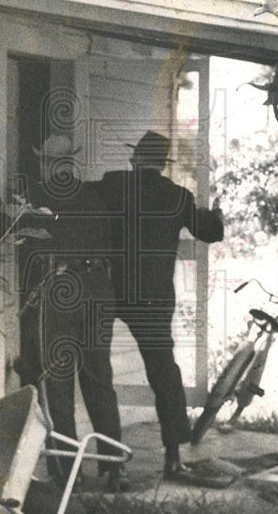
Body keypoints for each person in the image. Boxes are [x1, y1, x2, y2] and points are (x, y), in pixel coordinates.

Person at [95, 130, 226, 485]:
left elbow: (78, 201)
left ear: (136, 159)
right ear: (162, 164)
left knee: (98, 373)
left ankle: (112, 465)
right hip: (153, 298)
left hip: (112, 291)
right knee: (164, 374)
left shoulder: (113, 184)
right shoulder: (177, 196)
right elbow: (210, 232)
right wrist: (216, 213)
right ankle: (173, 459)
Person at [19, 134, 129, 492]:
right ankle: (115, 469)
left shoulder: (41, 199)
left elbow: (11, 231)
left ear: (47, 163)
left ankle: (67, 475)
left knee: (58, 382)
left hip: (61, 291)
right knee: (99, 379)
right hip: (99, 289)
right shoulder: (94, 197)